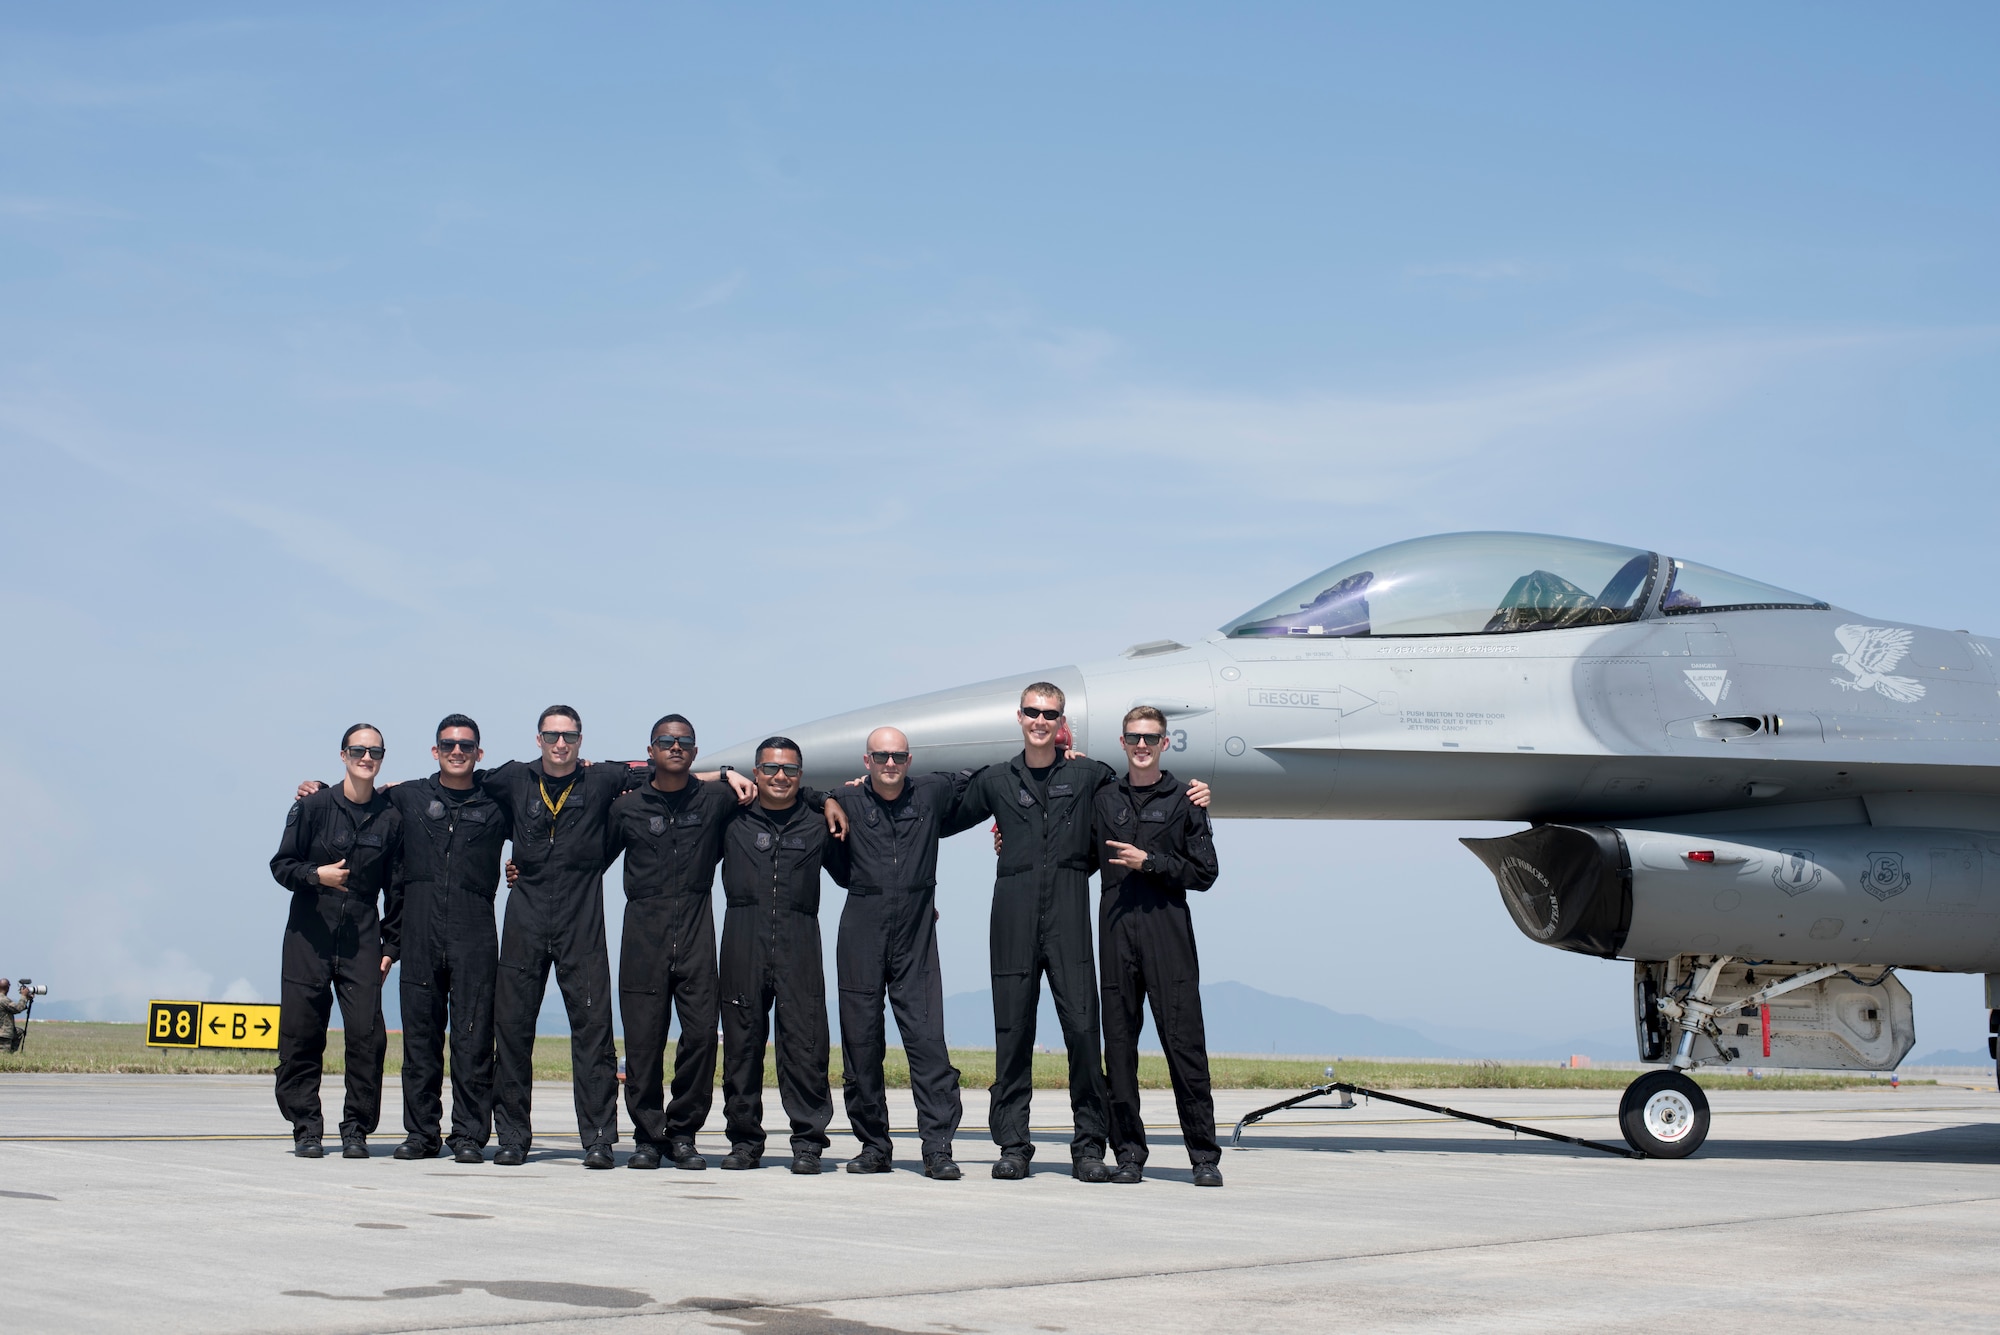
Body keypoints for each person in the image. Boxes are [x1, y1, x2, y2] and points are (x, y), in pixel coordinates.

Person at [942, 683, 1208, 1182]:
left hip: (1069, 912)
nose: (1040, 720)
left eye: (1050, 714)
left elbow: (1142, 790)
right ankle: (1013, 1147)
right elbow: (939, 812)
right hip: (1012, 913)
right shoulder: (997, 779)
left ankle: (1089, 1147)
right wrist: (857, 792)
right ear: (1019, 717)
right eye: (1032, 712)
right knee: (1013, 1034)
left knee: (1084, 1033)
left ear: (1061, 721)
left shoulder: (1091, 776)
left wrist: (1196, 795)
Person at [601, 715, 742, 1171]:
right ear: (651, 750)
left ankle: (682, 1134)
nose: (675, 747)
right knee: (643, 1043)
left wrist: (830, 799)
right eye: (666, 740)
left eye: (684, 742)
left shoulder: (717, 800)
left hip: (698, 931)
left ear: (695, 753)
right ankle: (647, 1136)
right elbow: (584, 861)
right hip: (643, 933)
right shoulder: (626, 808)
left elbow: (779, 797)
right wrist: (523, 871)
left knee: (702, 1036)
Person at [1093, 706, 1223, 1187]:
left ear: (1165, 743)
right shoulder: (1103, 799)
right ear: (1123, 743)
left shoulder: (1187, 799)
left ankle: (1204, 1157)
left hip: (1167, 930)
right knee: (1120, 1047)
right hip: (1116, 930)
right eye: (1133, 739)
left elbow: (1205, 874)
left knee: (1185, 1045)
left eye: (1151, 739)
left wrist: (1151, 863)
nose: (1142, 746)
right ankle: (1128, 1153)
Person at [832, 726, 968, 1180]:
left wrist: (1065, 758)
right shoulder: (846, 801)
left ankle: (938, 1148)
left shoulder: (930, 793)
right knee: (862, 1044)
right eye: (881, 756)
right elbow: (796, 795)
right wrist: (828, 797)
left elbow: (990, 780)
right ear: (865, 761)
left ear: (909, 760)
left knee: (928, 1043)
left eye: (899, 756)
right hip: (861, 929)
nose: (890, 764)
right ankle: (874, 1146)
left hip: (915, 933)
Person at [378, 714, 510, 1164]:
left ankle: (469, 1135)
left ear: (479, 753)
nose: (458, 752)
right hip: (418, 933)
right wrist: (313, 788)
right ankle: (421, 1134)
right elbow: (356, 798)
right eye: (449, 745)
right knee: (420, 1040)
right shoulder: (406, 796)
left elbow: (545, 834)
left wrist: (523, 870)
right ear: (435, 751)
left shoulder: (497, 802)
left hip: (474, 933)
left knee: (473, 1040)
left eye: (466, 745)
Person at [270, 724, 400, 1159]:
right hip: (310, 932)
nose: (367, 757)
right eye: (358, 750)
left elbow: (397, 889)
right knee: (301, 1035)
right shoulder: (312, 807)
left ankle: (356, 1129)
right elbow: (282, 865)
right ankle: (306, 1127)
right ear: (343, 755)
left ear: (382, 758)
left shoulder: (391, 817)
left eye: (374, 751)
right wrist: (316, 875)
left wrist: (390, 946)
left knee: (368, 1036)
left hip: (362, 936)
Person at [717, 737, 844, 1175]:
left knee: (806, 1046)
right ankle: (744, 1142)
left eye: (790, 770)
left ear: (801, 776)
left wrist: (825, 798)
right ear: (756, 772)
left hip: (800, 940)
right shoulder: (730, 818)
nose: (780, 777)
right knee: (741, 1046)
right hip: (741, 939)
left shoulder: (817, 823)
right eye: (770, 768)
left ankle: (808, 1143)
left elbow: (857, 873)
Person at [0, 980, 28, 1054]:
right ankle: (9, 1054)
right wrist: (24, 996)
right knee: (3, 1056)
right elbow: (18, 1008)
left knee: (19, 1032)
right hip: (3, 1034)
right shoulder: (3, 999)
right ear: (8, 988)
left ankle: (10, 1054)